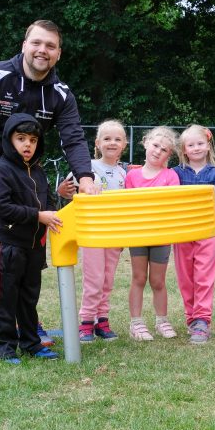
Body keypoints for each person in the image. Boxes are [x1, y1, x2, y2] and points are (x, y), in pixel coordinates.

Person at [0, 20, 96, 354]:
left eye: (51, 46)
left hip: (27, 178)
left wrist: (85, 178)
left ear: (58, 54)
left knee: (24, 255)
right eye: (37, 43)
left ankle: (24, 321)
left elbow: (72, 136)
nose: (43, 50)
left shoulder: (60, 94)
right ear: (25, 43)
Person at [0, 113, 62, 364]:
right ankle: (1, 346)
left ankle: (31, 342)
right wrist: (38, 215)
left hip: (33, 247)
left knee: (29, 297)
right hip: (8, 245)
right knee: (7, 296)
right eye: (21, 139)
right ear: (9, 140)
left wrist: (53, 212)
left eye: (32, 139)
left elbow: (47, 202)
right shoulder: (0, 170)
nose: (27, 145)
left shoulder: (38, 171)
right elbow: (3, 208)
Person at [172, 124, 215, 344]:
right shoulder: (175, 173)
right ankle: (191, 319)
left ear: (208, 145)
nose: (196, 148)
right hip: (182, 234)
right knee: (186, 278)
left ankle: (202, 320)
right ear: (184, 149)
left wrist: (204, 224)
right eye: (191, 144)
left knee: (204, 277)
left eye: (200, 143)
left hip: (206, 233)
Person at [75, 120, 128, 343]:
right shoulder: (88, 168)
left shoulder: (124, 174)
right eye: (107, 138)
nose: (112, 143)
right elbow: (69, 190)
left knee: (107, 279)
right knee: (94, 279)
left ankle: (102, 320)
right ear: (97, 143)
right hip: (93, 233)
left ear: (124, 144)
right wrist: (67, 189)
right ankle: (86, 321)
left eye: (117, 139)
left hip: (114, 234)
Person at [126, 126, 180, 341]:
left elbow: (172, 205)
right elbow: (129, 206)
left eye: (164, 149)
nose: (158, 151)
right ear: (146, 142)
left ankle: (162, 321)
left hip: (161, 235)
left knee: (158, 280)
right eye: (156, 145)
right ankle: (136, 324)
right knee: (138, 277)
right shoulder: (132, 175)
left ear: (169, 155)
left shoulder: (171, 175)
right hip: (138, 234)